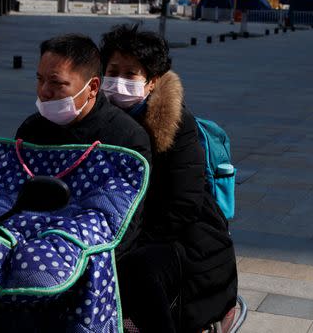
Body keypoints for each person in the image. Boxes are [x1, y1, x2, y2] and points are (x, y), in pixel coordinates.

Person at [100, 24, 238, 333]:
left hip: (186, 237)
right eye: (113, 71)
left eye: (130, 74)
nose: (119, 82)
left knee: (135, 268)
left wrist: (129, 241)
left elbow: (184, 205)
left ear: (151, 82)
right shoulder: (97, 118)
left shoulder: (176, 125)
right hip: (121, 229)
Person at [15, 33, 152, 254]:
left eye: (57, 83)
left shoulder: (125, 139)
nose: (44, 92)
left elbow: (122, 224)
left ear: (93, 87)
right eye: (40, 79)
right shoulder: (31, 129)